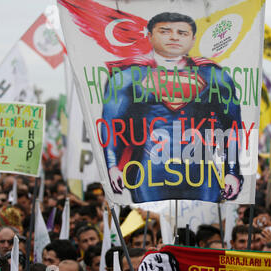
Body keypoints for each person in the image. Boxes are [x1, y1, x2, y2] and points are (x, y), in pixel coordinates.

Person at [101, 11, 243, 203]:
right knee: (152, 229)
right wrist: (112, 165)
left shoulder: (215, 76)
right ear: (150, 35)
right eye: (165, 31)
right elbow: (111, 125)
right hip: (149, 172)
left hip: (201, 173)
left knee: (203, 229)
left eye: (182, 33)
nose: (174, 36)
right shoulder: (127, 77)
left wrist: (232, 170)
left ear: (193, 39)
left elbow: (232, 127)